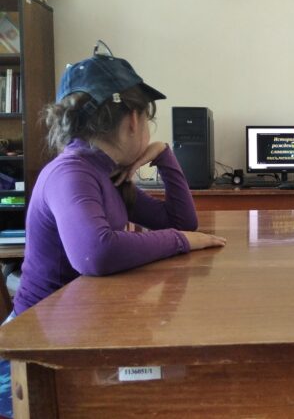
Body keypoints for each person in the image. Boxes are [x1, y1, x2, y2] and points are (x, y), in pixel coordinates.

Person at [8, 45, 226, 320]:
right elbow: (96, 253)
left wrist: (163, 154)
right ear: (133, 120)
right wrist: (180, 240)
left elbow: (181, 221)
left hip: (79, 319)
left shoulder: (103, 172)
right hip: (36, 336)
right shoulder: (71, 173)